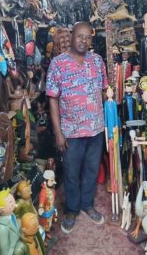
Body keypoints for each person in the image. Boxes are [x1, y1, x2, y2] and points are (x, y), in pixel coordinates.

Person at [46, 21, 108, 234]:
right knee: (71, 171)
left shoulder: (98, 61)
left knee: (91, 169)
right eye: (80, 36)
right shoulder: (58, 64)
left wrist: (107, 124)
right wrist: (58, 133)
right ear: (72, 36)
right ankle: (72, 209)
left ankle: (87, 204)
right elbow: (53, 99)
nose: (84, 40)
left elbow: (103, 92)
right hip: (71, 131)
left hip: (96, 129)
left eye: (88, 37)